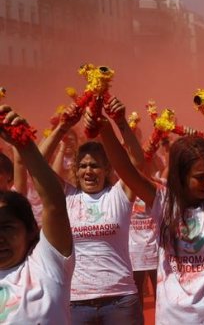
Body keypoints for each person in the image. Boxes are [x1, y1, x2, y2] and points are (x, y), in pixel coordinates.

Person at [94, 90, 204, 323]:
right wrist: (105, 129)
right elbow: (126, 169)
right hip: (176, 318)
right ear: (180, 176)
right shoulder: (164, 202)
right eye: (199, 177)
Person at [39, 101, 144, 324]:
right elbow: (37, 163)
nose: (89, 171)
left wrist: (119, 121)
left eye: (95, 165)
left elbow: (136, 161)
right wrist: (63, 127)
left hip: (121, 300)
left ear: (107, 170)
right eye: (83, 166)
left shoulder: (119, 194)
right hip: (76, 302)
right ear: (75, 170)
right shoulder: (66, 196)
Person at [0, 105, 74, 323]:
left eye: (7, 227)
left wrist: (23, 143)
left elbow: (54, 204)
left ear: (32, 230)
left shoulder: (47, 264)